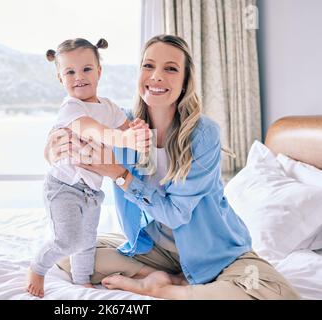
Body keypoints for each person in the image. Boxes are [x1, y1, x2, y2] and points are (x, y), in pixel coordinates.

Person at [45, 34, 301, 300]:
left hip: (215, 253)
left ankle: (168, 289)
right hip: (154, 249)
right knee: (69, 254)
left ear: (184, 81)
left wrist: (119, 175)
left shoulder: (203, 134)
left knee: (279, 295)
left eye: (170, 68)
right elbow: (72, 126)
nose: (156, 76)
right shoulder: (121, 125)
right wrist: (52, 148)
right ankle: (152, 276)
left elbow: (175, 215)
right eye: (148, 66)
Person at [27, 37, 151, 298]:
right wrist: (123, 138)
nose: (78, 77)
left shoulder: (108, 107)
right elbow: (95, 130)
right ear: (61, 79)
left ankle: (82, 280)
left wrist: (135, 132)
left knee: (86, 241)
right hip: (64, 187)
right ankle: (38, 268)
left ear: (99, 71)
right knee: (68, 240)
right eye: (69, 72)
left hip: (92, 191)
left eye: (86, 69)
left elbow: (124, 129)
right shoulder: (72, 108)